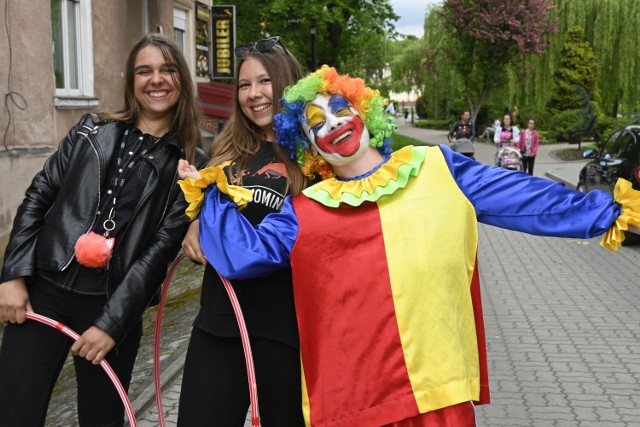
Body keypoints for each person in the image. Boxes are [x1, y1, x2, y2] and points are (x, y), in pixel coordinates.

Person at [177, 65, 640, 427]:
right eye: (318, 122)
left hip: (436, 392)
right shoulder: (304, 210)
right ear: (311, 146)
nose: (335, 123)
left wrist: (611, 213)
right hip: (352, 406)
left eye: (341, 107)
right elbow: (242, 255)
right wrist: (208, 198)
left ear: (364, 111)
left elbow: (524, 198)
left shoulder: (436, 167)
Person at [0, 33, 206, 427]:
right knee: (14, 413)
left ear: (181, 79)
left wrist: (111, 324)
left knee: (102, 419)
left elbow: (159, 251)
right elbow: (39, 196)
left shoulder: (191, 164)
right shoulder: (92, 129)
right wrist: (13, 275)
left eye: (167, 69)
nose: (156, 79)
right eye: (144, 71)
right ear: (131, 80)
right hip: (42, 293)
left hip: (113, 305)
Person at [176, 36, 307, 427]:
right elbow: (202, 207)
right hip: (219, 323)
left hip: (286, 331)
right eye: (245, 85)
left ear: (286, 84)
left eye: (264, 81)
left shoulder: (315, 155)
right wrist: (193, 222)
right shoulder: (226, 149)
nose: (254, 94)